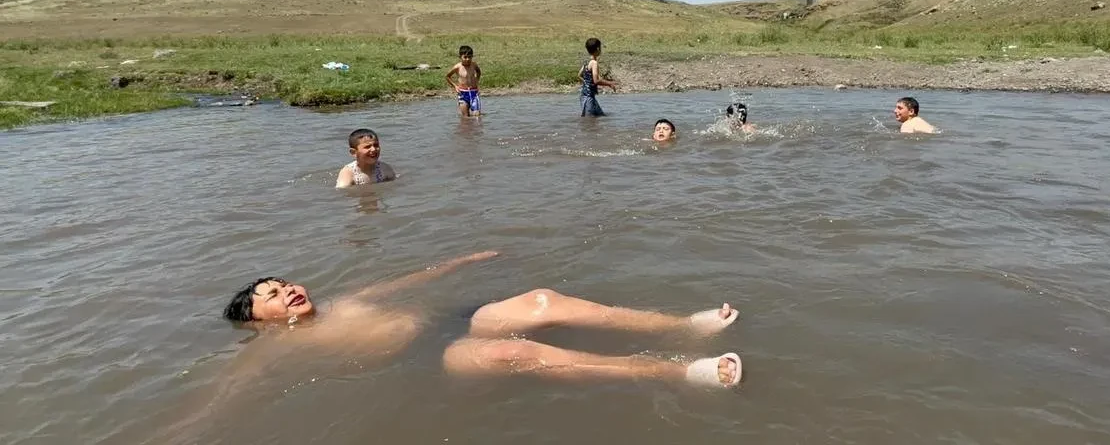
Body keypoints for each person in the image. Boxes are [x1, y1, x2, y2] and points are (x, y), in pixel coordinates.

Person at [216, 252, 742, 393]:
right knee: (510, 352)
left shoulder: (346, 300)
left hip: (447, 321)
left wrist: (462, 262)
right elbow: (231, 387)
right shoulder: (273, 346)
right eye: (270, 296)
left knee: (542, 299)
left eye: (282, 283)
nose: (286, 290)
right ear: (257, 323)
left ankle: (679, 324)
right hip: (424, 360)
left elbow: (413, 279)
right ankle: (675, 370)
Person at [579, 38, 618, 117]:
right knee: (590, 119)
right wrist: (609, 83)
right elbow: (596, 80)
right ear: (597, 49)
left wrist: (586, 84)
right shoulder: (594, 63)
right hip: (588, 98)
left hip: (585, 96)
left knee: (600, 116)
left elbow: (579, 75)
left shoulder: (587, 62)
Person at [445, 45, 483, 117]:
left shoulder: (474, 65)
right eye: (465, 57)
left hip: (474, 93)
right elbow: (447, 76)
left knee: (477, 116)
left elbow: (478, 72)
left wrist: (476, 81)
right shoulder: (457, 67)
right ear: (460, 57)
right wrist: (455, 86)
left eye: (470, 57)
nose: (467, 59)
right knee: (465, 117)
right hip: (463, 93)